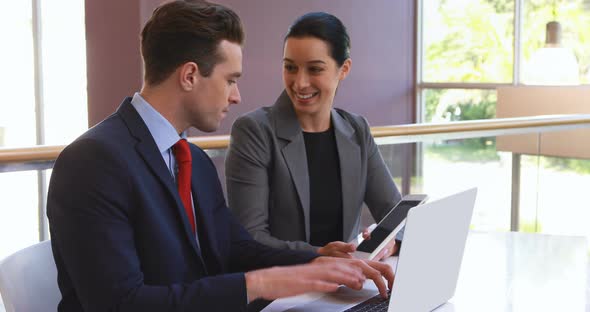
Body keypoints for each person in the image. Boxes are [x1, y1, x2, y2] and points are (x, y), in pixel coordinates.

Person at [46, 2, 394, 311]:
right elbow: (121, 304)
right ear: (190, 75)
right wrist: (260, 284)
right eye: (231, 80)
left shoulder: (193, 161)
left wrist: (317, 260)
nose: (237, 96)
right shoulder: (91, 163)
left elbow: (236, 247)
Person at [226, 12, 403, 260]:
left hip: (345, 285)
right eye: (290, 67)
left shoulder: (357, 130)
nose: (300, 83)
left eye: (314, 69)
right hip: (281, 290)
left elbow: (398, 216)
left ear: (344, 69)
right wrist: (319, 254)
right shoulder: (254, 131)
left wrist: (392, 243)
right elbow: (250, 238)